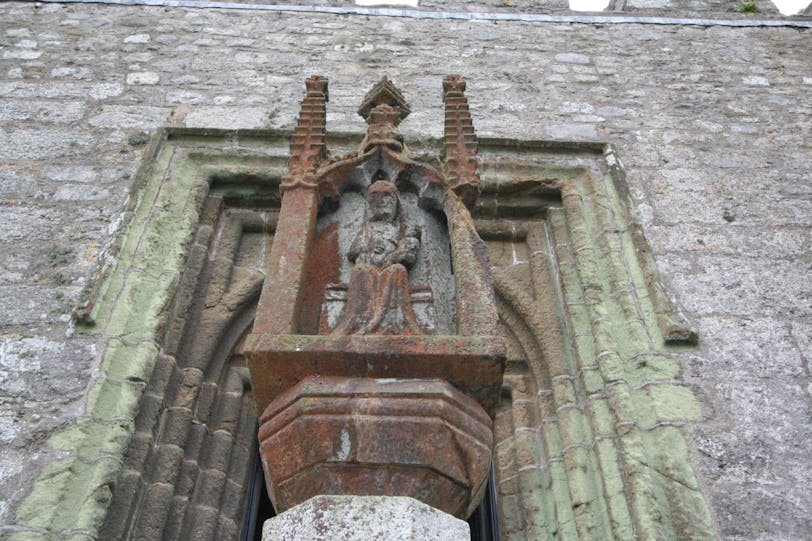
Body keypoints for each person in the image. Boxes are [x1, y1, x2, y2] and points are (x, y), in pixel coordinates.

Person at [330, 180, 426, 335]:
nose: (380, 200)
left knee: (398, 270)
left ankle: (393, 321)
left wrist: (394, 255)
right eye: (374, 196)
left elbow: (408, 255)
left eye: (386, 196)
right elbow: (352, 252)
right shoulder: (367, 228)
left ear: (396, 203)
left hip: (389, 267)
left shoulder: (399, 229)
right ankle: (360, 320)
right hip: (369, 267)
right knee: (360, 271)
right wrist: (368, 247)